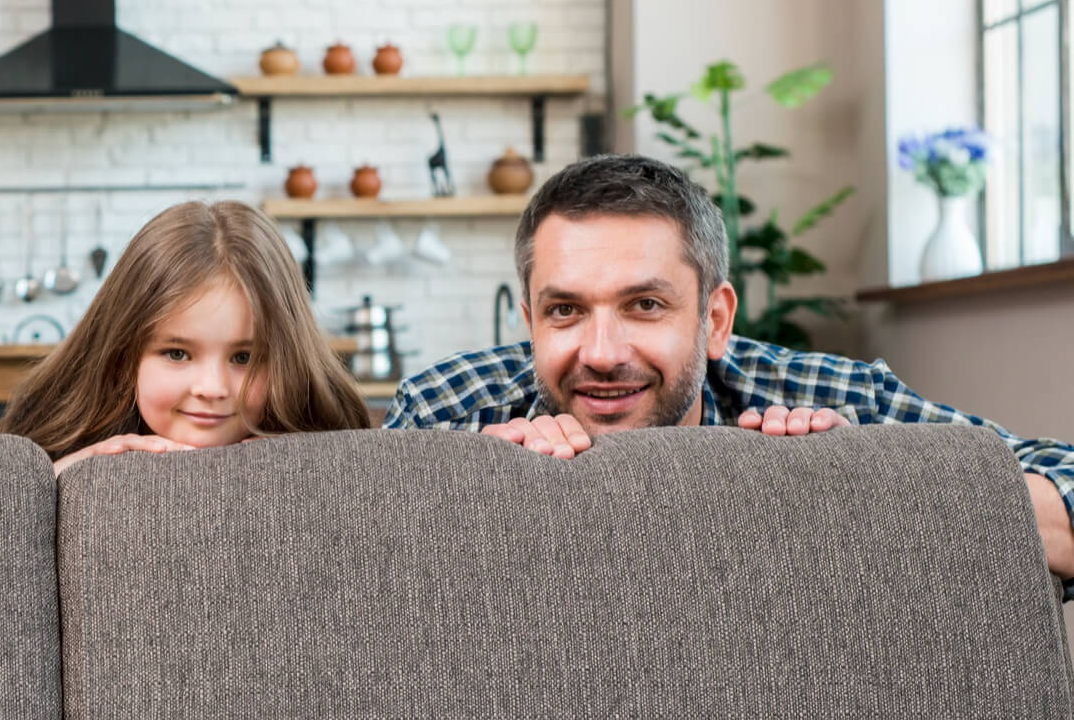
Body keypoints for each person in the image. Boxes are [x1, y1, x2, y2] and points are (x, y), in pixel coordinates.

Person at [385, 153, 1074, 583]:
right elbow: (345, 608)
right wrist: (457, 502)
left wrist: (864, 483)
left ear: (714, 320)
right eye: (564, 310)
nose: (600, 351)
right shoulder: (446, 412)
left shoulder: (826, 398)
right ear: (529, 321)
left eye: (645, 305)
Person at [0, 199, 370, 474]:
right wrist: (56, 481)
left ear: (290, 361)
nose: (211, 388)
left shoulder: (339, 459)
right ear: (123, 355)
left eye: (244, 358)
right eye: (177, 353)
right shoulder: (45, 456)